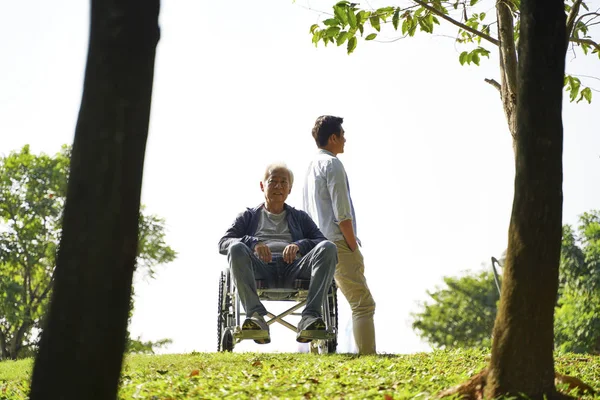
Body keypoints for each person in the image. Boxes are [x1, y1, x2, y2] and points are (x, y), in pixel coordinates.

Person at [218, 163, 337, 344]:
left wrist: (299, 245)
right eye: (273, 181)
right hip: (260, 268)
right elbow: (223, 243)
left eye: (284, 183)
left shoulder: (300, 217)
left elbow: (321, 242)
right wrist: (253, 243)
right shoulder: (248, 216)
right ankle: (255, 316)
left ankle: (311, 317)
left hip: (294, 268)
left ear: (289, 189)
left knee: (328, 247)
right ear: (262, 186)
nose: (279, 186)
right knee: (235, 248)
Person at [302, 115, 377, 355]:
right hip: (337, 242)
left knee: (321, 304)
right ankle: (368, 357)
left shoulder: (310, 167)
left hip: (315, 245)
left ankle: (316, 354)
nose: (345, 139)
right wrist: (353, 246)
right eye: (342, 134)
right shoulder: (332, 164)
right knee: (363, 304)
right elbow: (342, 214)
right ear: (333, 137)